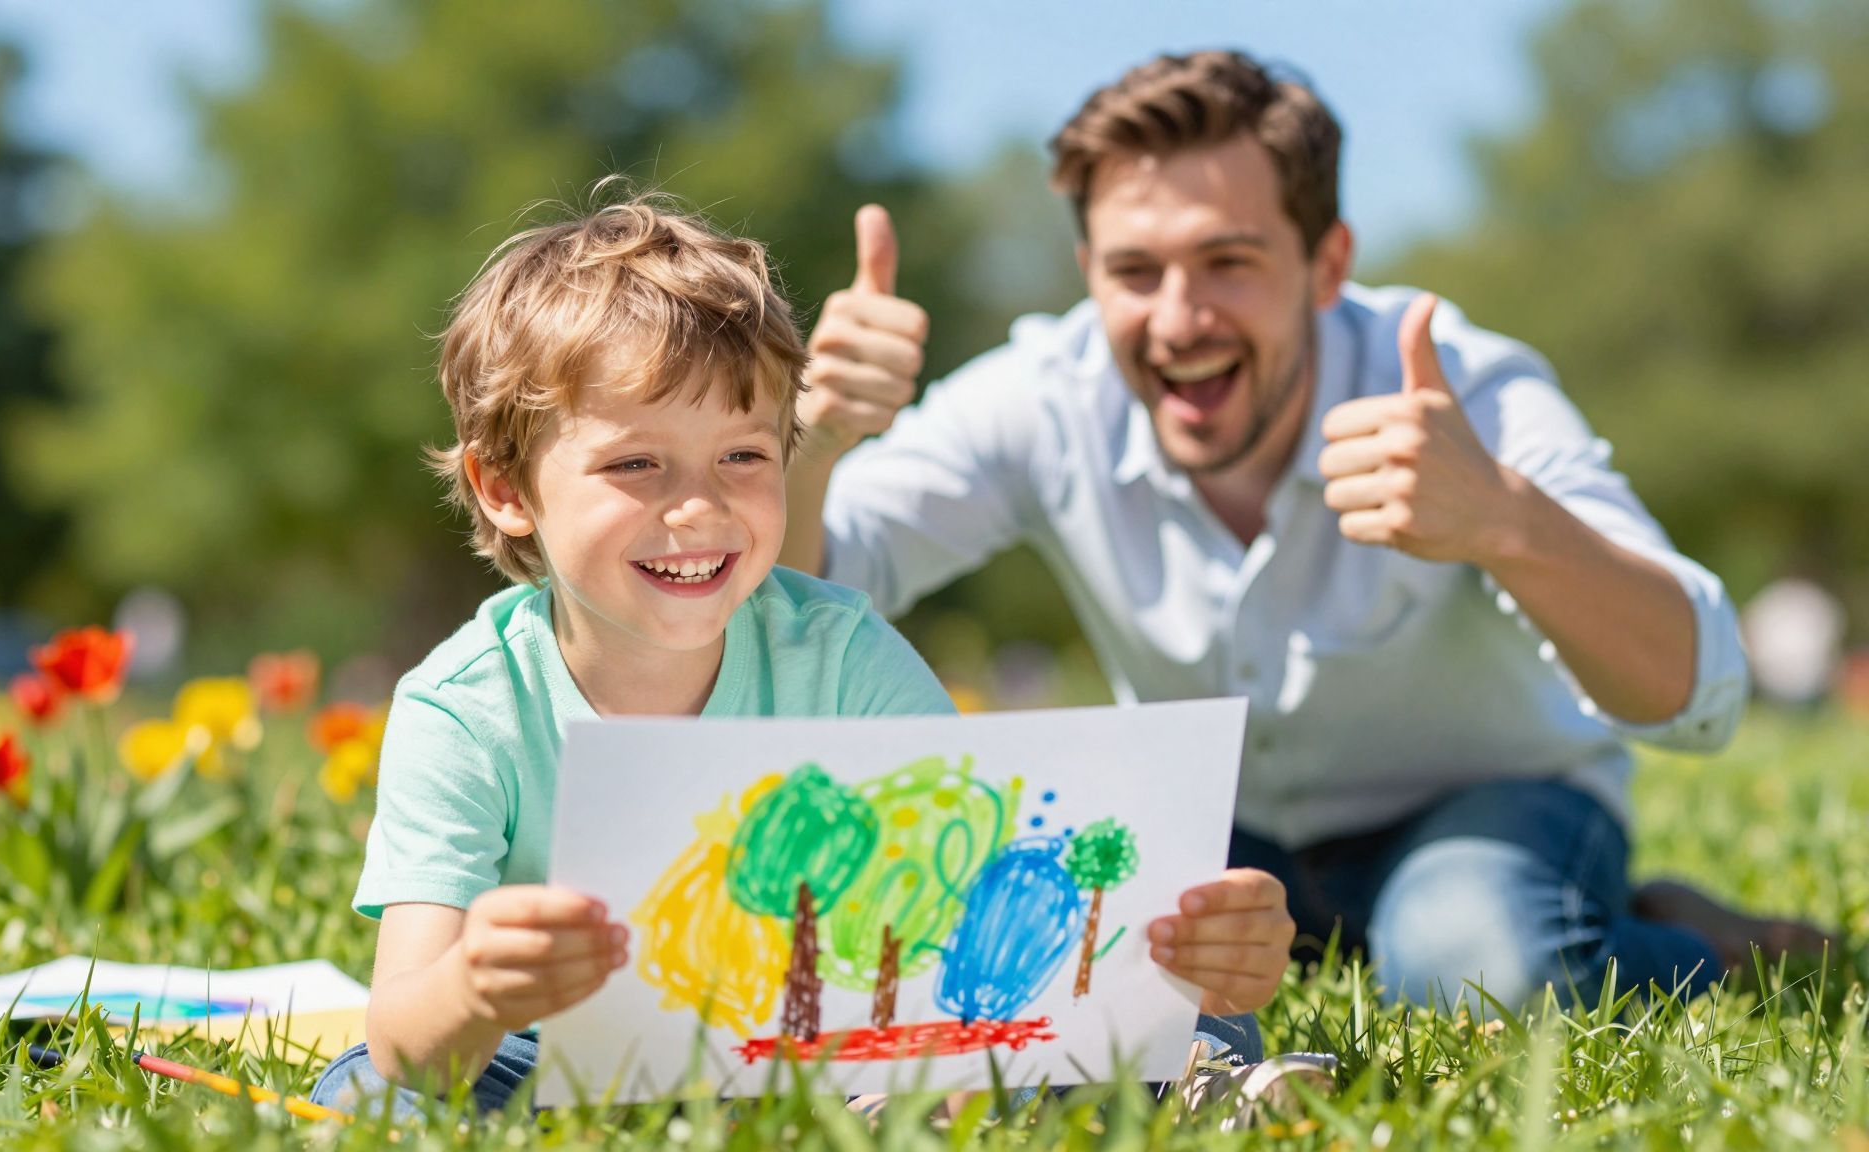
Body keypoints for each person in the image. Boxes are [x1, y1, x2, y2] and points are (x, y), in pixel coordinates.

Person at [781, 50, 1829, 1012]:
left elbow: (1699, 692)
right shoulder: (1042, 397)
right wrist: (814, 444)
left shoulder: (1460, 385)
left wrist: (1504, 522)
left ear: (1327, 265)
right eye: (1134, 271)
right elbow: (812, 590)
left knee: (1474, 967)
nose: (1178, 317)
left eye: (1227, 261)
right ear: (1086, 268)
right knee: (1043, 960)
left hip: (1484, 805)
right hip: (1220, 832)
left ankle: (1707, 942)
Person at [308, 191, 1302, 1120]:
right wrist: (475, 987)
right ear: (504, 488)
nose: (696, 508)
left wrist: (1201, 959)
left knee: (1177, 1007)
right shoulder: (463, 712)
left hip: (837, 1051)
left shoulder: (840, 653)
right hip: (554, 1058)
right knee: (371, 1092)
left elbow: (978, 907)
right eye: (634, 464)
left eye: (741, 457)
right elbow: (402, 1034)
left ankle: (1211, 1071)